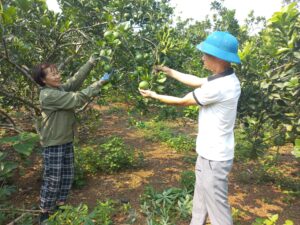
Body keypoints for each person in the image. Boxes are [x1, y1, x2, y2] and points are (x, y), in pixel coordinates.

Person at [139, 31, 241, 225]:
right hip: (207, 154)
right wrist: (167, 70)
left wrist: (153, 96)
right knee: (200, 204)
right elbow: (195, 80)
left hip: (214, 158)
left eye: (205, 54)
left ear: (218, 58)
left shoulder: (219, 87)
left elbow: (181, 101)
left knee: (219, 213)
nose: (202, 58)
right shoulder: (224, 78)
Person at [32, 55, 112, 224]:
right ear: (43, 80)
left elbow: (74, 81)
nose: (58, 76)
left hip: (66, 140)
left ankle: (61, 205)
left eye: (57, 72)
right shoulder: (47, 95)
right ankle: (45, 212)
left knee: (67, 175)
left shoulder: (58, 89)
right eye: (52, 74)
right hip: (53, 143)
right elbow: (76, 99)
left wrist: (90, 63)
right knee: (53, 179)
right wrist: (100, 83)